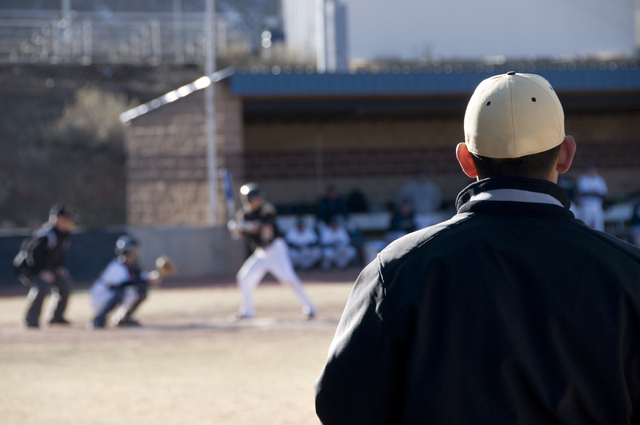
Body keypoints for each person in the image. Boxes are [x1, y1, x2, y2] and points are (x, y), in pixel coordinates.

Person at [315, 72, 640, 424]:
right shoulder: (629, 272)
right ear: (566, 154)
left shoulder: (398, 269)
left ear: (466, 160)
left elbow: (340, 404)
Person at [229, 183, 316, 321]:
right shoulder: (243, 215)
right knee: (244, 277)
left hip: (276, 249)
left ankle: (310, 307)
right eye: (255, 197)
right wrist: (236, 228)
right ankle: (247, 310)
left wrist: (247, 227)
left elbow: (267, 230)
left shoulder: (266, 209)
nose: (259, 200)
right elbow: (238, 233)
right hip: (261, 252)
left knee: (289, 278)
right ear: (248, 199)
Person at [14, 204, 78, 328]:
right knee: (41, 286)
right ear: (57, 218)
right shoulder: (46, 234)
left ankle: (57, 317)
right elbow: (31, 254)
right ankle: (30, 320)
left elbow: (56, 255)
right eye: (66, 218)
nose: (69, 220)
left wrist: (58, 267)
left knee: (65, 284)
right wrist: (41, 272)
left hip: (47, 270)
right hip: (29, 269)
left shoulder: (64, 235)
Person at [89, 236, 161, 329]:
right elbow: (123, 285)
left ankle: (124, 318)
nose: (136, 253)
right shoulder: (116, 266)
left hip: (111, 297)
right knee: (121, 291)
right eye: (134, 250)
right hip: (100, 298)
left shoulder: (133, 266)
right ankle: (99, 319)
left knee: (141, 291)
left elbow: (143, 278)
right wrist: (145, 281)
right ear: (126, 252)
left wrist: (158, 275)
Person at [577, 162, 608, 231]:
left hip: (597, 206)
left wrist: (591, 193)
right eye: (590, 168)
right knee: (585, 226)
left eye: (593, 168)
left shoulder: (599, 180)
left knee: (599, 227)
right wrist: (593, 193)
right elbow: (581, 192)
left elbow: (603, 193)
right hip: (586, 206)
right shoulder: (583, 179)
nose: (591, 170)